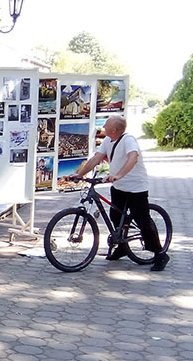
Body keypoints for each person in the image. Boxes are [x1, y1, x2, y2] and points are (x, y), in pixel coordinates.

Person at [72, 114, 168, 271]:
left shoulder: (128, 140)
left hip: (136, 187)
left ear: (114, 129)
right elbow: (96, 158)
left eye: (106, 125)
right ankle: (123, 246)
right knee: (116, 217)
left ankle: (160, 254)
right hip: (118, 187)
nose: (104, 127)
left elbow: (133, 158)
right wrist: (80, 174)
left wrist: (119, 175)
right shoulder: (108, 140)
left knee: (142, 220)